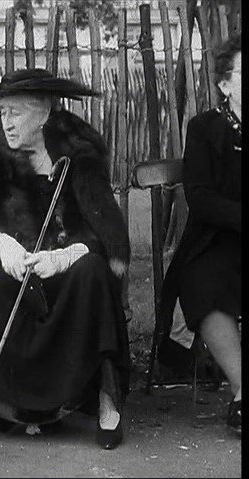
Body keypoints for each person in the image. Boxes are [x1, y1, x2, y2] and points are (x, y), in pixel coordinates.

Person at [0, 69, 131, 450]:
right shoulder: (1, 151)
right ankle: (16, 404)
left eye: (15, 112)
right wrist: (2, 244)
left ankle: (105, 398)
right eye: (2, 113)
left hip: (68, 272)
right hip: (22, 268)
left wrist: (66, 256)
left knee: (93, 274)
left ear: (45, 112)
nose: (7, 122)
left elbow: (106, 233)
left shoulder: (79, 153)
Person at [161, 34, 242, 435]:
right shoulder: (204, 128)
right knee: (203, 285)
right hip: (213, 241)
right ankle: (243, 393)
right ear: (226, 85)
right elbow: (200, 197)